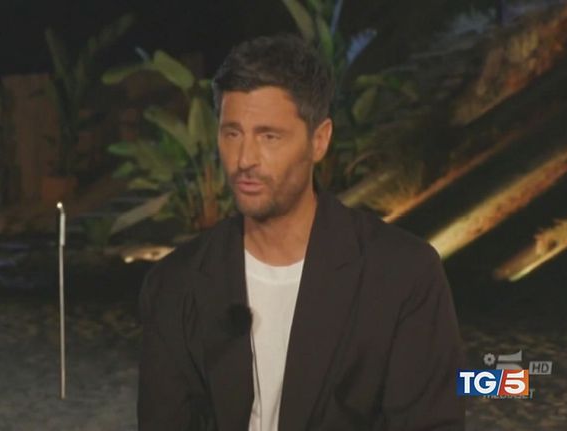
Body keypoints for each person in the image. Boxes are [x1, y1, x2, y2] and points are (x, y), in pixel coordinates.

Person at [137, 33, 465, 431]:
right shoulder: (175, 285)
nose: (244, 159)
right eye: (232, 133)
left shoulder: (402, 275)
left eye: (269, 136)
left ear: (319, 140)